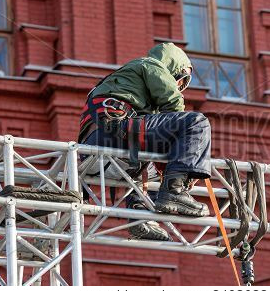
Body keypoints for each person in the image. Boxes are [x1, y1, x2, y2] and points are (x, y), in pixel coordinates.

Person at [78, 43, 211, 241]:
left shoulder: (127, 84)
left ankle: (140, 216)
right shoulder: (150, 65)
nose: (180, 87)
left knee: (157, 168)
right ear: (174, 68)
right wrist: (186, 165)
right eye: (181, 81)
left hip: (97, 150)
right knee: (197, 123)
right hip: (117, 135)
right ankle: (174, 191)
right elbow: (173, 103)